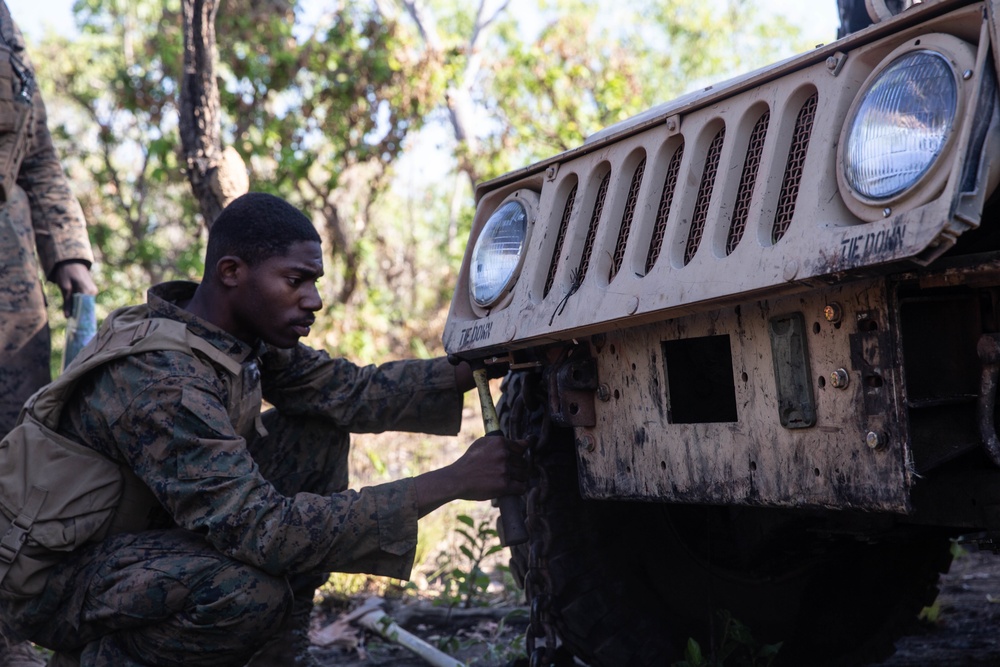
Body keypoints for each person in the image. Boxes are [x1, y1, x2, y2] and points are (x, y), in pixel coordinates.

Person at [0, 192, 527, 667]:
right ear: (232, 271)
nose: (314, 300)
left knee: (317, 434)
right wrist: (450, 482)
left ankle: (279, 653)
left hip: (135, 535)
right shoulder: (163, 382)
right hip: (54, 579)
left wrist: (469, 366)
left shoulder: (231, 336)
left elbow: (347, 392)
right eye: (295, 281)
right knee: (244, 591)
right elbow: (261, 529)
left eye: (314, 283)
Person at [0, 4, 98, 665]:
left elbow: (35, 151)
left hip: (11, 278)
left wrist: (69, 254)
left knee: (17, 448)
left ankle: (7, 631)